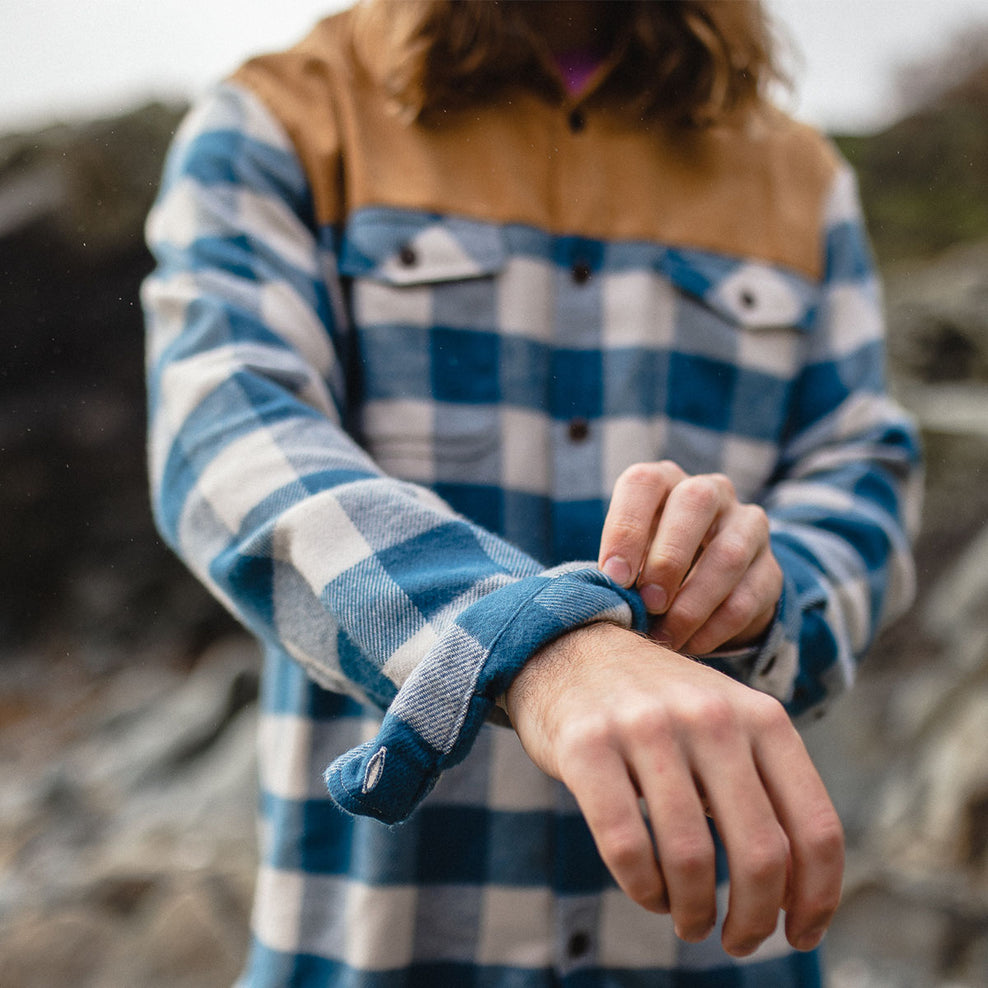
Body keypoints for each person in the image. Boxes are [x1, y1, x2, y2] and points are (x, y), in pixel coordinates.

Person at [142, 1, 922, 984]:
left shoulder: (801, 177)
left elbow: (864, 466)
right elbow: (225, 433)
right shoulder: (281, 120)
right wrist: (530, 646)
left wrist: (776, 586)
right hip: (382, 941)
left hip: (718, 954)